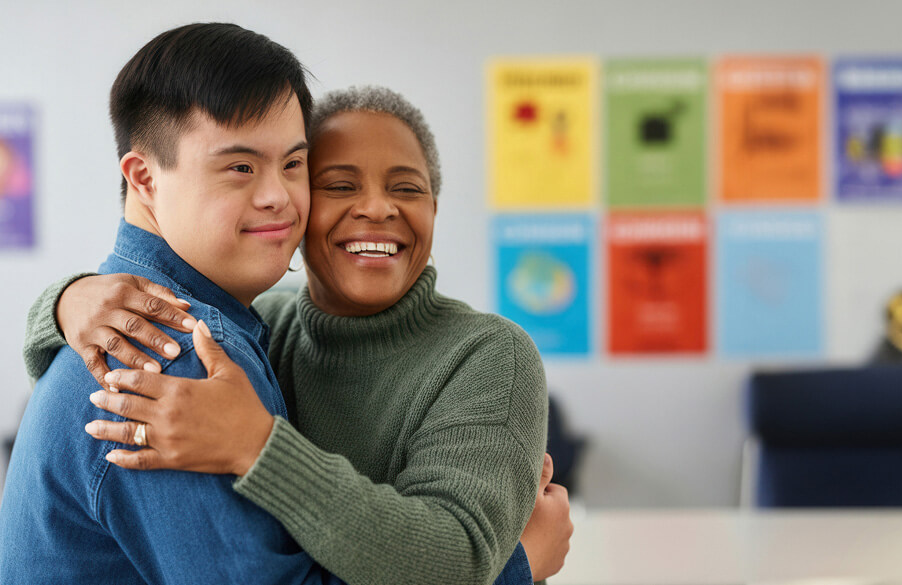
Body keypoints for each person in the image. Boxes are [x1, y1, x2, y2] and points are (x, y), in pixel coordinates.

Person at [18, 82, 572, 584]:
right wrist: (66, 300)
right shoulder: (259, 330)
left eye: (407, 188)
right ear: (301, 209)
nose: (378, 207)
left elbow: (457, 558)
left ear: (433, 207)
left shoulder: (490, 356)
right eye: (338, 185)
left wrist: (258, 446)